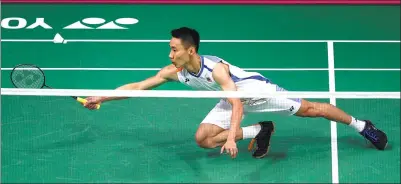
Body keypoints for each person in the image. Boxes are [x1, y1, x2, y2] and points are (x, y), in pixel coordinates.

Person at [83, 27, 388, 159]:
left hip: (253, 91)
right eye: (169, 48)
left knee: (313, 110)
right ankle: (261, 129)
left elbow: (237, 103)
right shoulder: (174, 72)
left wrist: (231, 137)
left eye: (174, 49)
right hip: (227, 98)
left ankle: (363, 126)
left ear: (191, 50)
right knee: (202, 139)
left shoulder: (215, 69)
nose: (169, 53)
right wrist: (102, 98)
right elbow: (138, 88)